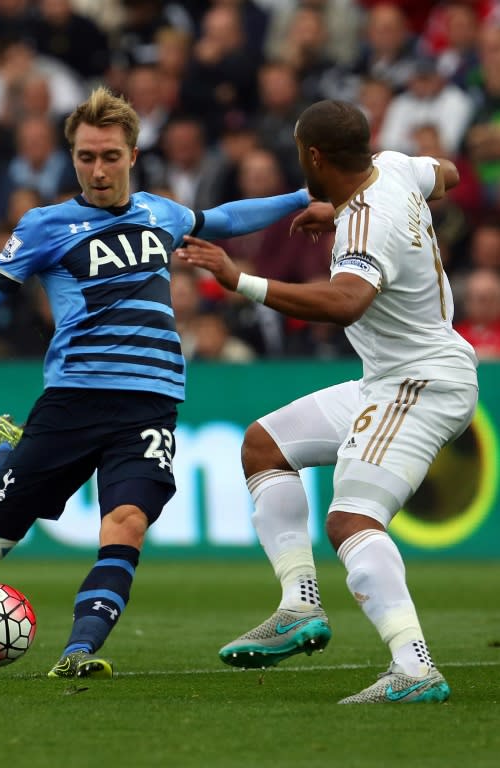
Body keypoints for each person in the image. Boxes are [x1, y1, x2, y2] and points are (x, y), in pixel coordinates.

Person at [0, 86, 311, 680]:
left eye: (110, 155)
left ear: (132, 155)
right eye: (86, 157)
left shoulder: (162, 213)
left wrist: (303, 197)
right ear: (73, 159)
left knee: (126, 522)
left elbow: (227, 219)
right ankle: (7, 450)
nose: (98, 169)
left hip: (151, 403)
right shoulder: (44, 225)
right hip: (73, 400)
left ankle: (79, 650)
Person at [175, 99, 478, 703]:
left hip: (420, 382)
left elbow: (344, 303)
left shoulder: (366, 223)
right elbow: (446, 173)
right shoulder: (391, 167)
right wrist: (336, 209)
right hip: (389, 375)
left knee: (351, 520)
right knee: (265, 445)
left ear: (313, 155)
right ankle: (298, 606)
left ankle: (414, 667)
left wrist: (240, 282)